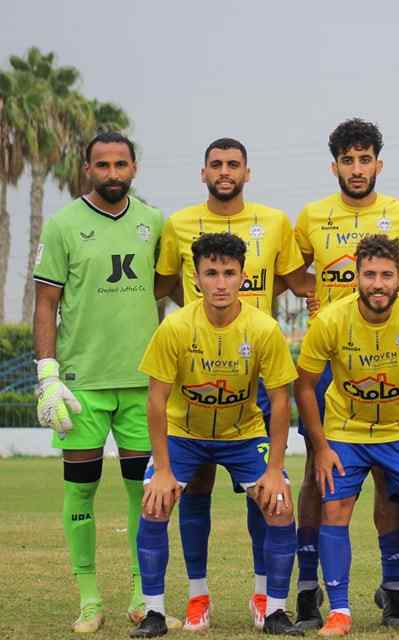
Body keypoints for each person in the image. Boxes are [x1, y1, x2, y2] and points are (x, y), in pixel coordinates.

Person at [153, 137, 314, 631]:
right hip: (196, 377)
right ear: (203, 172)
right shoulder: (178, 225)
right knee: (192, 488)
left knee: (266, 494)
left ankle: (266, 598)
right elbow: (160, 285)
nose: (225, 171)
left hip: (255, 376)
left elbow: (298, 281)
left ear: (247, 172)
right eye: (216, 165)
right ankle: (196, 597)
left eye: (233, 164)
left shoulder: (275, 222)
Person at [130, 232, 302, 637]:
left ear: (243, 277)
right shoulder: (175, 327)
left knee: (279, 505)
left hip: (244, 434)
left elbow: (281, 402)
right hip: (184, 434)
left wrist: (275, 469)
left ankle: (273, 609)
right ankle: (160, 611)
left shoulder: (263, 328)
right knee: (154, 503)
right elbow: (156, 401)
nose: (220, 283)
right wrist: (163, 471)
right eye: (211, 273)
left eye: (228, 273)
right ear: (196, 278)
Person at [33, 132, 170, 633]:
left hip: (141, 382)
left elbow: (168, 284)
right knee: (81, 488)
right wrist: (47, 373)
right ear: (88, 169)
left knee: (143, 493)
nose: (113, 173)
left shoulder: (153, 222)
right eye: (103, 165)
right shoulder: (64, 224)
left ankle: (142, 596)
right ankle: (89, 600)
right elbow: (45, 303)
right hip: (81, 384)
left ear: (134, 168)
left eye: (121, 164)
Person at [294, 235, 399, 637]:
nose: (378, 284)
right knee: (335, 511)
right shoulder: (331, 320)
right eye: (370, 275)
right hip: (345, 431)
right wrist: (320, 447)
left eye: (386, 275)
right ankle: (340, 613)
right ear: (356, 276)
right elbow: (304, 385)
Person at [294, 119, 399, 628]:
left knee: (390, 476)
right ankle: (309, 589)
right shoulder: (312, 215)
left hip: (386, 357)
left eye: (364, 159)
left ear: (378, 164)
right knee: (318, 471)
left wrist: (385, 305)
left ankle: (392, 589)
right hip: (331, 358)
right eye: (347, 160)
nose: (356, 168)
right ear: (335, 167)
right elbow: (291, 271)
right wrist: (317, 296)